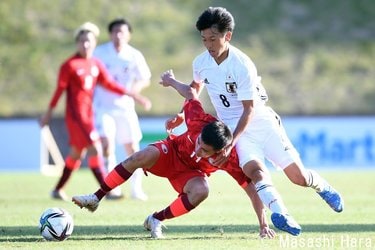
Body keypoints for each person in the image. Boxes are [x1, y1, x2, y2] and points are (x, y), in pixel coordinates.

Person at [161, 7, 344, 236]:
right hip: (235, 130)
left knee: (298, 178)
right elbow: (196, 87)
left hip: (260, 123)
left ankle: (321, 186)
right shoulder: (201, 62)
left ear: (227, 36)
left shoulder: (242, 65)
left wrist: (229, 143)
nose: (208, 45)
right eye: (204, 39)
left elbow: (248, 110)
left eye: (213, 39)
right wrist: (181, 113)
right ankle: (282, 214)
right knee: (254, 172)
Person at [71, 84, 276, 239]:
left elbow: (251, 189)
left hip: (188, 175)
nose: (198, 149)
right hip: (170, 153)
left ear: (220, 151)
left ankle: (156, 219)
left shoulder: (228, 158)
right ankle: (96, 198)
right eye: (198, 143)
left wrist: (263, 224)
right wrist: (171, 81)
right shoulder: (198, 121)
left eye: (204, 151)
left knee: (202, 190)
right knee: (141, 156)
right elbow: (190, 93)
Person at [40, 22, 150, 201]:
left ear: (94, 43)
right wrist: (48, 114)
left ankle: (57, 189)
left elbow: (110, 84)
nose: (86, 45)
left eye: (89, 41)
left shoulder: (95, 63)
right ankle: (107, 191)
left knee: (76, 153)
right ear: (77, 43)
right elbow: (58, 91)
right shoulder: (70, 65)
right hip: (76, 117)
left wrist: (135, 96)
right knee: (96, 149)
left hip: (88, 115)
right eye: (82, 41)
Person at [93, 18, 152, 201]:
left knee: (133, 149)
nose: (118, 35)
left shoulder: (134, 55)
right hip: (103, 108)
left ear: (128, 35)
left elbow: (145, 78)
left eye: (122, 32)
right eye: (115, 31)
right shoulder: (100, 53)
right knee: (106, 146)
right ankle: (112, 189)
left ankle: (137, 189)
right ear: (110, 34)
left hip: (125, 108)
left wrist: (135, 91)